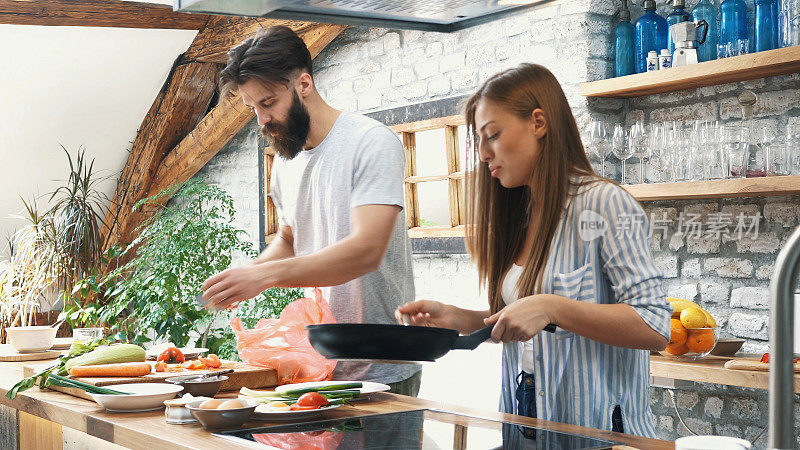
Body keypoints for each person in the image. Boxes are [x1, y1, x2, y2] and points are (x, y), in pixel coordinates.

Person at [396, 63, 671, 436]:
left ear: (538, 123)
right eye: (478, 140)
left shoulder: (603, 203)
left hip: (598, 433)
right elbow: (529, 324)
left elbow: (654, 324)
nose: (482, 153)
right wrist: (461, 318)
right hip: (523, 419)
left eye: (492, 135)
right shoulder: (521, 213)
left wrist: (551, 306)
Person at [201, 25, 420, 396]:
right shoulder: (286, 160)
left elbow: (366, 251)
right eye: (252, 107)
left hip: (382, 366)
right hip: (319, 362)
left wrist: (267, 276)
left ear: (304, 84)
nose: (261, 120)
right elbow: (290, 238)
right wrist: (248, 273)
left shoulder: (371, 142)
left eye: (268, 103)